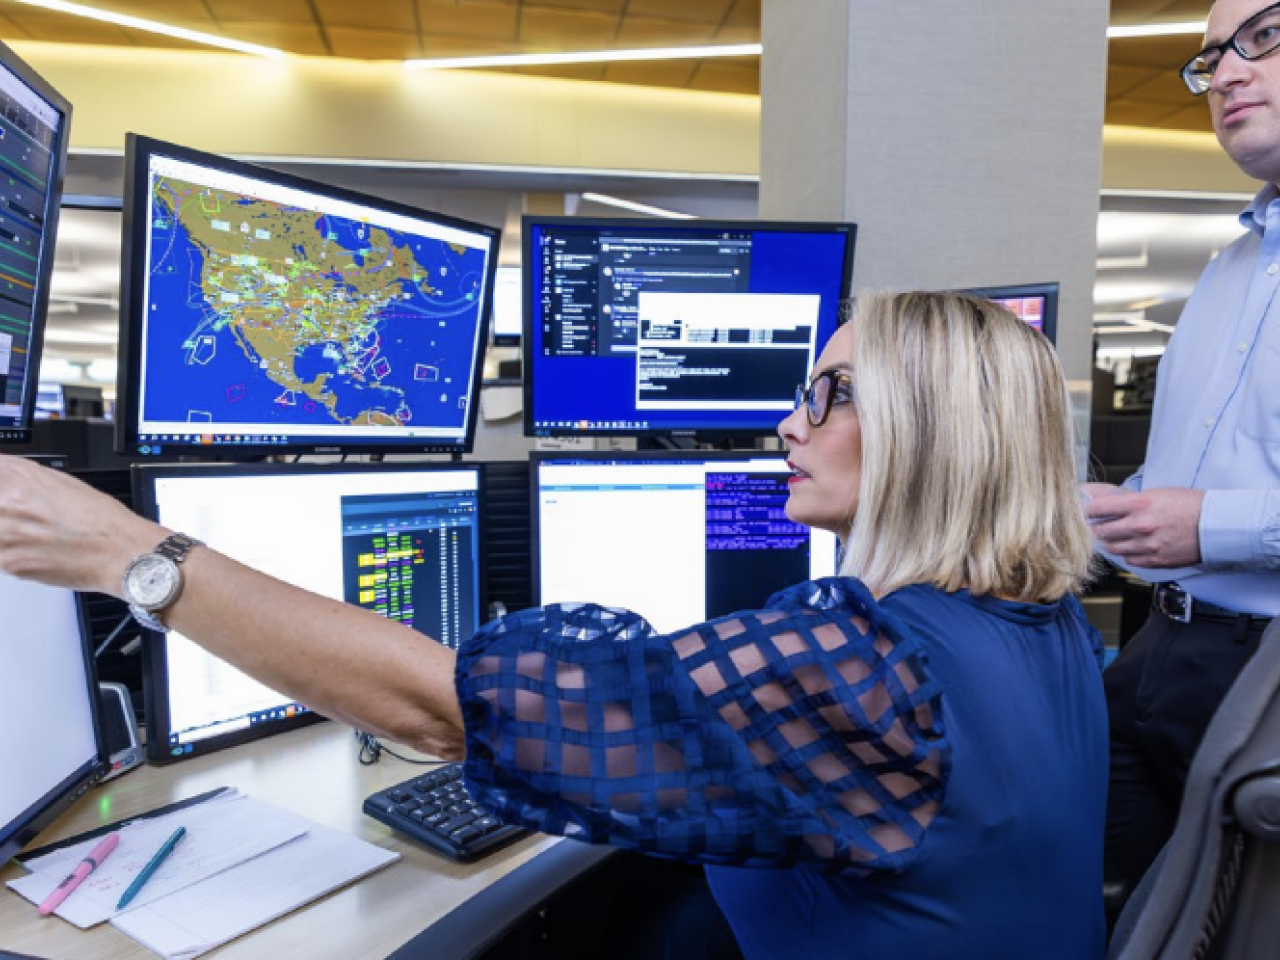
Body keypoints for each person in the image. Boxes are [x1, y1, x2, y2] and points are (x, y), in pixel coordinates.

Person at [0, 292, 1106, 960]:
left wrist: (131, 557)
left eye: (828, 394)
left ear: (930, 432)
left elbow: (446, 713)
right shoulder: (1034, 618)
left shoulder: (866, 665)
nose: (786, 421)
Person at [1083, 0, 1280, 920]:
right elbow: (1176, 477)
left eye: (1265, 37)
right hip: (1161, 645)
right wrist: (1104, 511)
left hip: (1266, 672)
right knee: (1107, 907)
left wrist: (1207, 522)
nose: (1227, 74)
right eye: (1210, 60)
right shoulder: (1229, 267)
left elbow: (1206, 508)